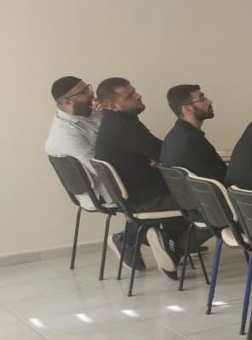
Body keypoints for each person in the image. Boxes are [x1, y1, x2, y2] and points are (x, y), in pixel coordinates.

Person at [94, 77, 189, 277]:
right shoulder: (124, 127)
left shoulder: (115, 122)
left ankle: (159, 240)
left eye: (134, 91)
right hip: (149, 199)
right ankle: (172, 245)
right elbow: (165, 152)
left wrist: (159, 159)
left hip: (138, 197)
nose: (138, 96)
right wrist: (161, 158)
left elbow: (158, 152)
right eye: (129, 96)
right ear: (113, 105)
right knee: (208, 200)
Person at [45, 76, 141, 268]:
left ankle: (173, 240)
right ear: (66, 102)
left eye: (87, 88)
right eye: (83, 92)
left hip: (112, 176)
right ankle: (129, 241)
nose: (91, 94)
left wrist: (109, 115)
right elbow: (101, 167)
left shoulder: (89, 113)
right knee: (156, 191)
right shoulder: (66, 135)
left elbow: (122, 136)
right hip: (100, 189)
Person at [160, 84, 226, 182]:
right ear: (187, 109)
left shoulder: (172, 137)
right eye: (202, 99)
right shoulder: (193, 141)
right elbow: (224, 177)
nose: (209, 101)